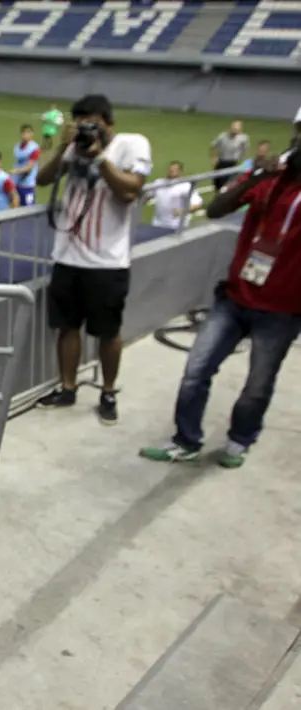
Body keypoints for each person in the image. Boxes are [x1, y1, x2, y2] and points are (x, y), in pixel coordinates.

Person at [140, 110, 301, 467]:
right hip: (235, 297)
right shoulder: (266, 177)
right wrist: (255, 176)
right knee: (197, 369)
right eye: (299, 131)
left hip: (281, 309)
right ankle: (186, 439)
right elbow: (216, 209)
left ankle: (240, 439)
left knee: (258, 382)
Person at [34, 94, 153, 424]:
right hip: (68, 257)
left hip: (107, 262)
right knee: (67, 327)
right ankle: (67, 387)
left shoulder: (131, 145)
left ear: (110, 124)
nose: (87, 128)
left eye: (93, 122)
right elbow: (42, 180)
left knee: (108, 332)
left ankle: (108, 391)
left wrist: (100, 157)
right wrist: (63, 149)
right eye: (81, 121)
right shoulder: (74, 147)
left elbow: (130, 190)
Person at [148, 160, 204, 231]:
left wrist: (182, 211)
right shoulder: (159, 183)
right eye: (170, 169)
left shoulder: (185, 186)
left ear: (180, 171)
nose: (172, 171)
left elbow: (198, 204)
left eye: (175, 170)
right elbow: (147, 196)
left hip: (176, 225)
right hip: (157, 224)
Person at [211, 120, 249, 191]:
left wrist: (240, 159)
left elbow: (245, 149)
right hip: (221, 162)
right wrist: (214, 158)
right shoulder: (222, 136)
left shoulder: (243, 138)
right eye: (234, 129)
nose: (235, 131)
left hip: (232, 163)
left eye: (237, 130)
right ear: (231, 128)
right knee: (217, 183)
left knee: (226, 184)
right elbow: (213, 146)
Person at [10, 124, 41, 205]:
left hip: (28, 185)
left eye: (29, 132)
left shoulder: (34, 149)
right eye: (24, 133)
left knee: (28, 209)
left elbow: (29, 167)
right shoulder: (17, 146)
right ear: (21, 134)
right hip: (15, 183)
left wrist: (15, 171)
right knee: (14, 209)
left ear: (32, 134)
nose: (26, 135)